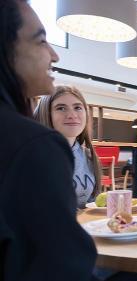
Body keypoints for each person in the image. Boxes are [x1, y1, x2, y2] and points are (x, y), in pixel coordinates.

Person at [0, 0, 96, 280]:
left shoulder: (83, 154)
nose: (54, 55)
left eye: (78, 108)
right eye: (41, 41)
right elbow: (64, 267)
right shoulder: (35, 145)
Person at [34, 85, 102, 209]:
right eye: (61, 108)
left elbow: (90, 206)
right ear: (46, 114)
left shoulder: (88, 156)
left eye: (77, 107)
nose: (72, 115)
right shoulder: (29, 156)